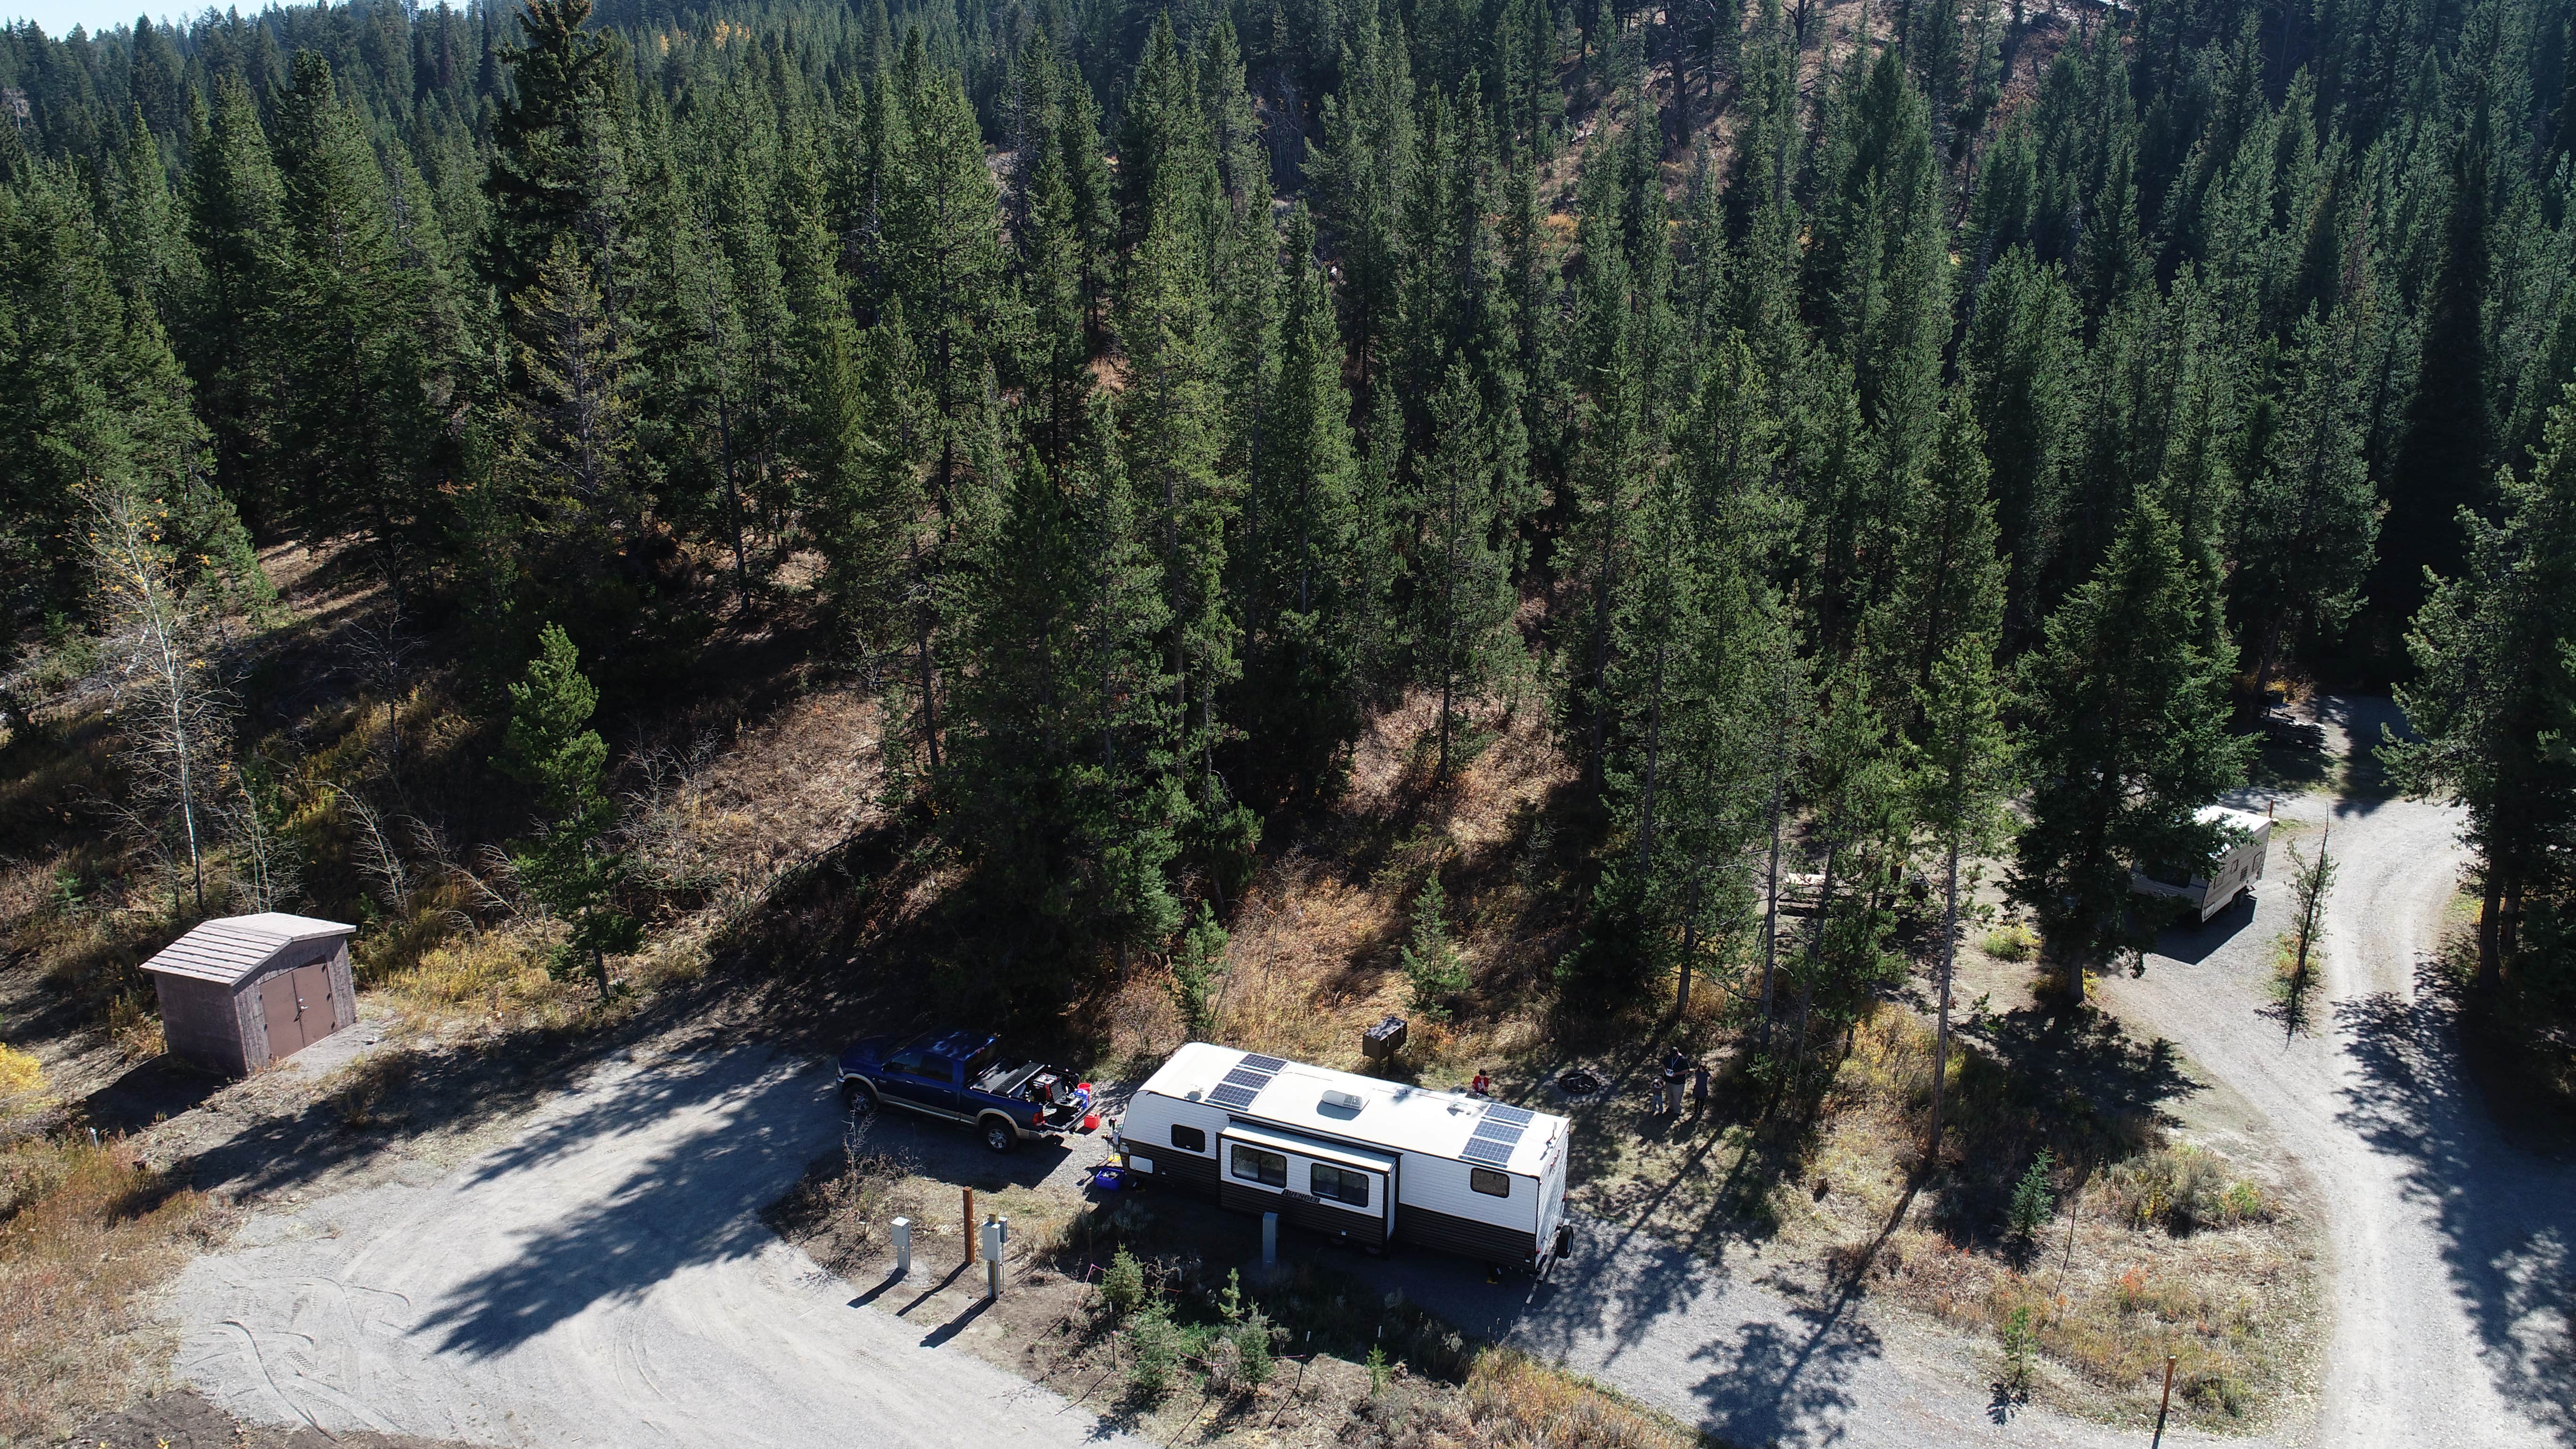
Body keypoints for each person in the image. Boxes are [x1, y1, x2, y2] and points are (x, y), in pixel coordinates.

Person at [1660, 1046, 1690, 1117]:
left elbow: (1687, 1070)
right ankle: (1671, 1107)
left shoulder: (1682, 1060)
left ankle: (1677, 1111)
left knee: (1677, 1098)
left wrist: (1676, 1074)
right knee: (1670, 1096)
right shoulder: (1668, 1057)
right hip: (1669, 1080)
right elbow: (1663, 1064)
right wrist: (1666, 1070)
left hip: (1678, 1083)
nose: (1673, 1057)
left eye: (1674, 1055)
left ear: (1677, 1053)